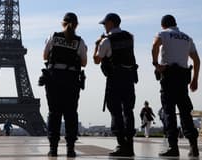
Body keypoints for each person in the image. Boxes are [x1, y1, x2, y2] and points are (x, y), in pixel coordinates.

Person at [152, 14, 200, 157]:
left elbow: (155, 46)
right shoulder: (187, 38)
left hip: (169, 77)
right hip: (182, 78)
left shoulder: (163, 34)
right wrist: (195, 79)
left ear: (163, 25)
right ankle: (193, 146)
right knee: (186, 113)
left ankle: (173, 147)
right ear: (175, 24)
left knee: (169, 113)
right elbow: (196, 60)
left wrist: (156, 64)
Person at [41, 12, 87, 157]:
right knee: (71, 114)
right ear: (77, 25)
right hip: (71, 79)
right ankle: (70, 149)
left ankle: (53, 148)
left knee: (54, 114)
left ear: (62, 23)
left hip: (54, 79)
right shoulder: (80, 42)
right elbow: (84, 62)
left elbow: (45, 56)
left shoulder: (53, 37)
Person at [93, 13, 138, 157]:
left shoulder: (106, 41)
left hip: (115, 78)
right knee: (128, 110)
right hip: (129, 77)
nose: (104, 27)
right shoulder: (130, 37)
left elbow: (97, 60)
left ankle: (121, 144)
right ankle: (129, 144)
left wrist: (96, 44)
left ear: (111, 23)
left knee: (115, 111)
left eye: (105, 24)